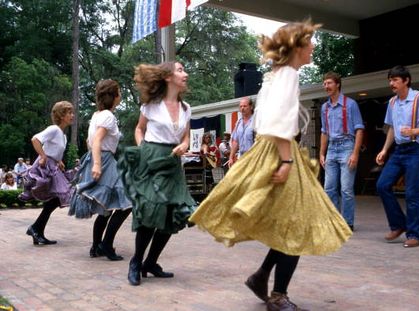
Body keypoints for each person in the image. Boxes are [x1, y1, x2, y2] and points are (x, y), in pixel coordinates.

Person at [189, 21, 352, 311]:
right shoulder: (287, 75)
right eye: (310, 42)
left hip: (274, 149)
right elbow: (277, 122)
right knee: (295, 225)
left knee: (289, 223)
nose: (313, 46)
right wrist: (287, 160)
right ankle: (277, 295)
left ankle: (262, 276)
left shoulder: (277, 74)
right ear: (297, 46)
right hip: (279, 151)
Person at [119, 62, 196, 286]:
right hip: (151, 157)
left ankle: (151, 262)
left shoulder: (186, 108)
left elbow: (186, 136)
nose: (185, 74)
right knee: (150, 210)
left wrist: (184, 144)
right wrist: (142, 148)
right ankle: (136, 262)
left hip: (173, 162)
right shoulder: (151, 105)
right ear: (167, 77)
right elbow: (139, 128)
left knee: (173, 213)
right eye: (180, 70)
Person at [69, 79, 132, 260]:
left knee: (107, 206)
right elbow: (96, 140)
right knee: (127, 203)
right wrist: (97, 163)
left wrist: (94, 160)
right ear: (113, 96)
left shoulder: (97, 115)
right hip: (103, 160)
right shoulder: (108, 116)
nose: (121, 95)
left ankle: (96, 246)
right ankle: (106, 245)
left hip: (100, 158)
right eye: (119, 92)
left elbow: (90, 142)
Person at [376, 65, 419, 248]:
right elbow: (392, 128)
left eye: (395, 80)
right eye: (390, 80)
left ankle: (414, 235)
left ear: (406, 81)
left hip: (416, 150)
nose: (391, 83)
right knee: (382, 185)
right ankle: (398, 225)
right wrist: (384, 150)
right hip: (398, 151)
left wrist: (414, 131)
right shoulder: (392, 103)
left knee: (411, 193)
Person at [21, 101, 75, 245]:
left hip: (53, 167)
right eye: (69, 113)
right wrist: (44, 156)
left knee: (56, 198)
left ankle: (37, 229)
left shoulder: (62, 135)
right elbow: (35, 140)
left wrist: (59, 161)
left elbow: (54, 150)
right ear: (61, 115)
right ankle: (36, 229)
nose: (72, 115)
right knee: (58, 197)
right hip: (45, 167)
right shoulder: (54, 129)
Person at [319, 71, 364, 231]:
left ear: (337, 84)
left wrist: (355, 153)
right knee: (329, 188)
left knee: (346, 188)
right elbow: (324, 132)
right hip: (331, 148)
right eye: (324, 84)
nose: (326, 86)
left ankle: (348, 223)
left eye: (329, 83)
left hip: (347, 146)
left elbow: (359, 129)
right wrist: (321, 153)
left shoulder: (350, 104)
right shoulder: (324, 108)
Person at [228, 97, 255, 167]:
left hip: (254, 157)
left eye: (245, 106)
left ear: (251, 107)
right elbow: (235, 141)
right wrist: (231, 157)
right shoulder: (238, 123)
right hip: (242, 157)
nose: (242, 108)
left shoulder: (256, 121)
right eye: (241, 106)